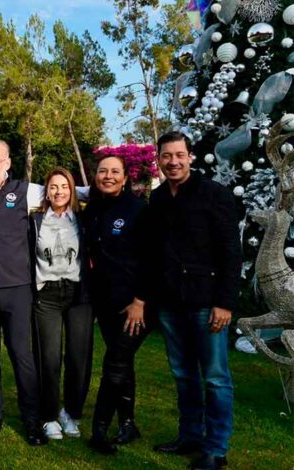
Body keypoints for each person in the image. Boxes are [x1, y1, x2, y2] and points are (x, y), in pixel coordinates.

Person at [0, 139, 89, 445]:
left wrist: (102, 191)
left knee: (22, 356)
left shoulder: (25, 190)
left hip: (18, 290)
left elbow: (65, 191)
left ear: (8, 163)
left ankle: (32, 420)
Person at [142, 132, 241, 470]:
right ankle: (190, 436)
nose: (173, 162)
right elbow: (154, 253)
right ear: (159, 159)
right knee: (184, 376)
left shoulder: (214, 194)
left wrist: (225, 302)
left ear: (190, 157)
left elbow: (231, 253)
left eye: (179, 155)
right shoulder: (158, 199)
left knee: (215, 378)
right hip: (170, 304)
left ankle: (216, 448)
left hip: (207, 303)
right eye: (166, 156)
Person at [81, 155, 150, 454]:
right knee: (123, 363)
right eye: (102, 171)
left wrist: (140, 301)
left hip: (136, 305)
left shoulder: (138, 209)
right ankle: (128, 423)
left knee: (114, 363)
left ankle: (99, 430)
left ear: (125, 177)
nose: (108, 176)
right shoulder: (93, 210)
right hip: (106, 303)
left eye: (114, 171)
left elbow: (151, 260)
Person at [31, 168, 92, 441]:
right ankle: (49, 415)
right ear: (46, 191)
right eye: (53, 187)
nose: (59, 192)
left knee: (78, 357)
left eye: (64, 186)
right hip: (46, 294)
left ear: (72, 190)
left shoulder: (82, 218)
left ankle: (71, 412)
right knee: (49, 358)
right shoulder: (34, 220)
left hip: (77, 294)